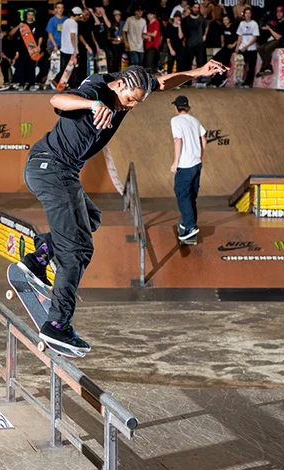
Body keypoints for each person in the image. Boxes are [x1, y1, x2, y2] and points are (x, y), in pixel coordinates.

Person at [17, 61, 226, 354]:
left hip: (61, 171)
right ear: (118, 86)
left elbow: (162, 82)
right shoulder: (96, 89)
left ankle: (39, 258)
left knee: (91, 216)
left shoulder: (130, 82)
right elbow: (57, 99)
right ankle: (57, 326)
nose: (131, 107)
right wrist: (92, 106)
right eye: (130, 101)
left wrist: (198, 72)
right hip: (51, 169)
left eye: (137, 103)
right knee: (77, 250)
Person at [170, 95, 206, 243]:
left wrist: (175, 162)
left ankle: (190, 227)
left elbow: (178, 140)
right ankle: (188, 222)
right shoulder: (195, 120)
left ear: (176, 108)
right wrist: (201, 156)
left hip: (185, 165)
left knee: (182, 194)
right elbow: (204, 138)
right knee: (191, 196)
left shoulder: (175, 120)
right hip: (197, 164)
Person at [11, 8, 43, 90]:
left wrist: (39, 46)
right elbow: (11, 34)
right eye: (29, 15)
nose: (30, 16)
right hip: (22, 50)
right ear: (26, 15)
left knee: (31, 67)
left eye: (32, 15)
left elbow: (40, 37)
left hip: (32, 51)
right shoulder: (22, 26)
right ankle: (21, 84)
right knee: (21, 67)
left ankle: (31, 84)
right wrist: (19, 25)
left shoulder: (36, 25)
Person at [257, 5, 284, 77]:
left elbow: (278, 37)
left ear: (283, 13)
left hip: (281, 41)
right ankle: (268, 67)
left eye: (280, 12)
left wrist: (269, 29)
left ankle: (264, 68)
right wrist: (266, 28)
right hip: (274, 39)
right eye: (277, 12)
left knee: (267, 48)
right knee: (260, 48)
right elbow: (264, 27)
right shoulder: (276, 21)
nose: (278, 14)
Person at [209, 14, 237, 86]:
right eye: (224, 20)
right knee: (215, 59)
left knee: (224, 62)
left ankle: (222, 79)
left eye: (226, 20)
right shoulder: (223, 27)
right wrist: (222, 43)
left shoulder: (234, 27)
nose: (225, 21)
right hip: (225, 47)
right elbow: (222, 35)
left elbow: (239, 37)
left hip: (232, 47)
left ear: (229, 20)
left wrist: (234, 45)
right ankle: (214, 79)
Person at [235, 7, 259, 87]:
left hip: (251, 49)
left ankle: (248, 83)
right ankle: (239, 81)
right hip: (242, 48)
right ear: (244, 14)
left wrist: (247, 46)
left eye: (249, 13)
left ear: (251, 14)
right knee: (240, 66)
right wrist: (237, 47)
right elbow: (239, 36)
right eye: (246, 13)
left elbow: (255, 38)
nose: (247, 15)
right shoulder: (242, 23)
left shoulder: (254, 24)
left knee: (251, 67)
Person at [57, 7, 81, 87]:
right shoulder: (73, 23)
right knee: (72, 69)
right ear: (76, 15)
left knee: (65, 68)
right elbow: (72, 36)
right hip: (70, 50)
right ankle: (73, 84)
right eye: (80, 16)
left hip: (64, 49)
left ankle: (61, 82)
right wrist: (75, 49)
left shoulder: (66, 21)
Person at [182, 2, 208, 73]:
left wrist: (205, 35)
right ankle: (188, 81)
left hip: (199, 43)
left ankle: (200, 79)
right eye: (195, 7)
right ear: (191, 8)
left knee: (200, 62)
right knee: (188, 62)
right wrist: (183, 40)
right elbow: (183, 31)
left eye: (197, 8)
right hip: (189, 43)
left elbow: (207, 26)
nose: (196, 9)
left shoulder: (202, 19)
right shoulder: (186, 19)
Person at [77, 8, 97, 80]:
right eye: (85, 14)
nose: (87, 16)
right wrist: (86, 46)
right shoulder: (79, 23)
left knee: (91, 63)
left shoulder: (89, 23)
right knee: (83, 63)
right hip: (83, 46)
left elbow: (92, 35)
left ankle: (91, 79)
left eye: (88, 15)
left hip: (91, 45)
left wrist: (97, 46)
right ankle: (82, 80)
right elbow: (80, 36)